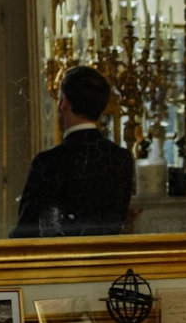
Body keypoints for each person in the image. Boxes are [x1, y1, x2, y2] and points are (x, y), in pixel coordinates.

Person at [11, 66, 133, 238]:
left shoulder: (47, 162)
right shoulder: (121, 158)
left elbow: (26, 230)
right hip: (105, 254)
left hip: (60, 255)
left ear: (63, 103)